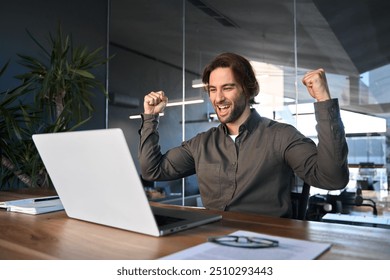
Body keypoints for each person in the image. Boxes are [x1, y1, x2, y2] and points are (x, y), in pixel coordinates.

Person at [138, 52, 349, 218]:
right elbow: (152, 171)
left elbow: (333, 179)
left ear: (247, 90)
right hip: (213, 240)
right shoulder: (201, 143)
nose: (218, 98)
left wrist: (323, 101)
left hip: (267, 244)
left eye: (227, 88)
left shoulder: (282, 136)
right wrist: (151, 118)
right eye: (212, 89)